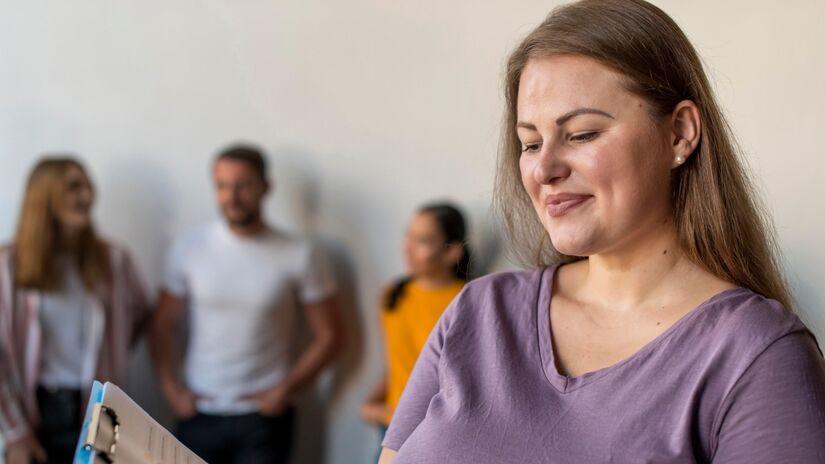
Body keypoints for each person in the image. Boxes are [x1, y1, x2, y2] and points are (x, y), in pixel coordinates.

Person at [379, 1, 825, 462]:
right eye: (530, 143)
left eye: (583, 134)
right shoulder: (476, 312)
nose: (544, 169)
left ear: (679, 133)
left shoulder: (757, 356)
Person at [150, 144, 342, 464]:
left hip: (264, 418)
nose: (232, 197)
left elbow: (331, 335)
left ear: (266, 187)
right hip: (199, 410)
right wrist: (171, 389)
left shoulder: (301, 254)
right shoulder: (189, 248)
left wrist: (286, 388)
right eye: (222, 186)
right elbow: (162, 324)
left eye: (243, 185)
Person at [0, 157, 151, 464]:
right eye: (73, 187)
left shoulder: (115, 260)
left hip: (100, 408)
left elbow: (140, 314)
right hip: (36, 411)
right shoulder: (8, 267)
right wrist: (15, 432)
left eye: (87, 186)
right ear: (44, 197)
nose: (86, 196)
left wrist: (113, 353)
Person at [360, 203, 470, 456]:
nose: (407, 247)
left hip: (436, 434)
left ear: (452, 252)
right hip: (391, 426)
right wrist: (372, 404)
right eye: (407, 235)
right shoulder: (394, 295)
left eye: (422, 240)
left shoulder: (467, 301)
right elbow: (400, 364)